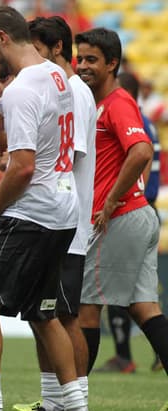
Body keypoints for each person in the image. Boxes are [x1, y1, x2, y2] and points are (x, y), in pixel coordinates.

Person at [0, 6, 91, 411]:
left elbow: (21, 166)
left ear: (2, 37)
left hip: (30, 211)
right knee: (43, 311)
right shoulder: (56, 76)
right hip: (62, 209)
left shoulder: (22, 90)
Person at [74, 28, 168, 411]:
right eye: (80, 58)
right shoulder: (100, 103)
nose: (83, 66)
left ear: (112, 63)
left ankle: (69, 405)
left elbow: (142, 149)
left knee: (84, 311)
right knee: (145, 309)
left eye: (91, 60)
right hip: (138, 216)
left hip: (120, 218)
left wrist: (110, 199)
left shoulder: (116, 103)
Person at [8, 16, 97, 411]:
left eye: (38, 48)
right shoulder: (56, 88)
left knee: (64, 317)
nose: (33, 57)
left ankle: (77, 407)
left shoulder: (74, 91)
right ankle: (54, 405)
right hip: (56, 218)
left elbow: (70, 154)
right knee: (42, 313)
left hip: (67, 223)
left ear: (56, 47)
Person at [94, 71, 163, 375]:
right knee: (141, 304)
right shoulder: (140, 120)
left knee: (93, 303)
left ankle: (67, 403)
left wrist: (119, 200)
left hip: (129, 209)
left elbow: (141, 158)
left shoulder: (127, 116)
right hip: (141, 209)